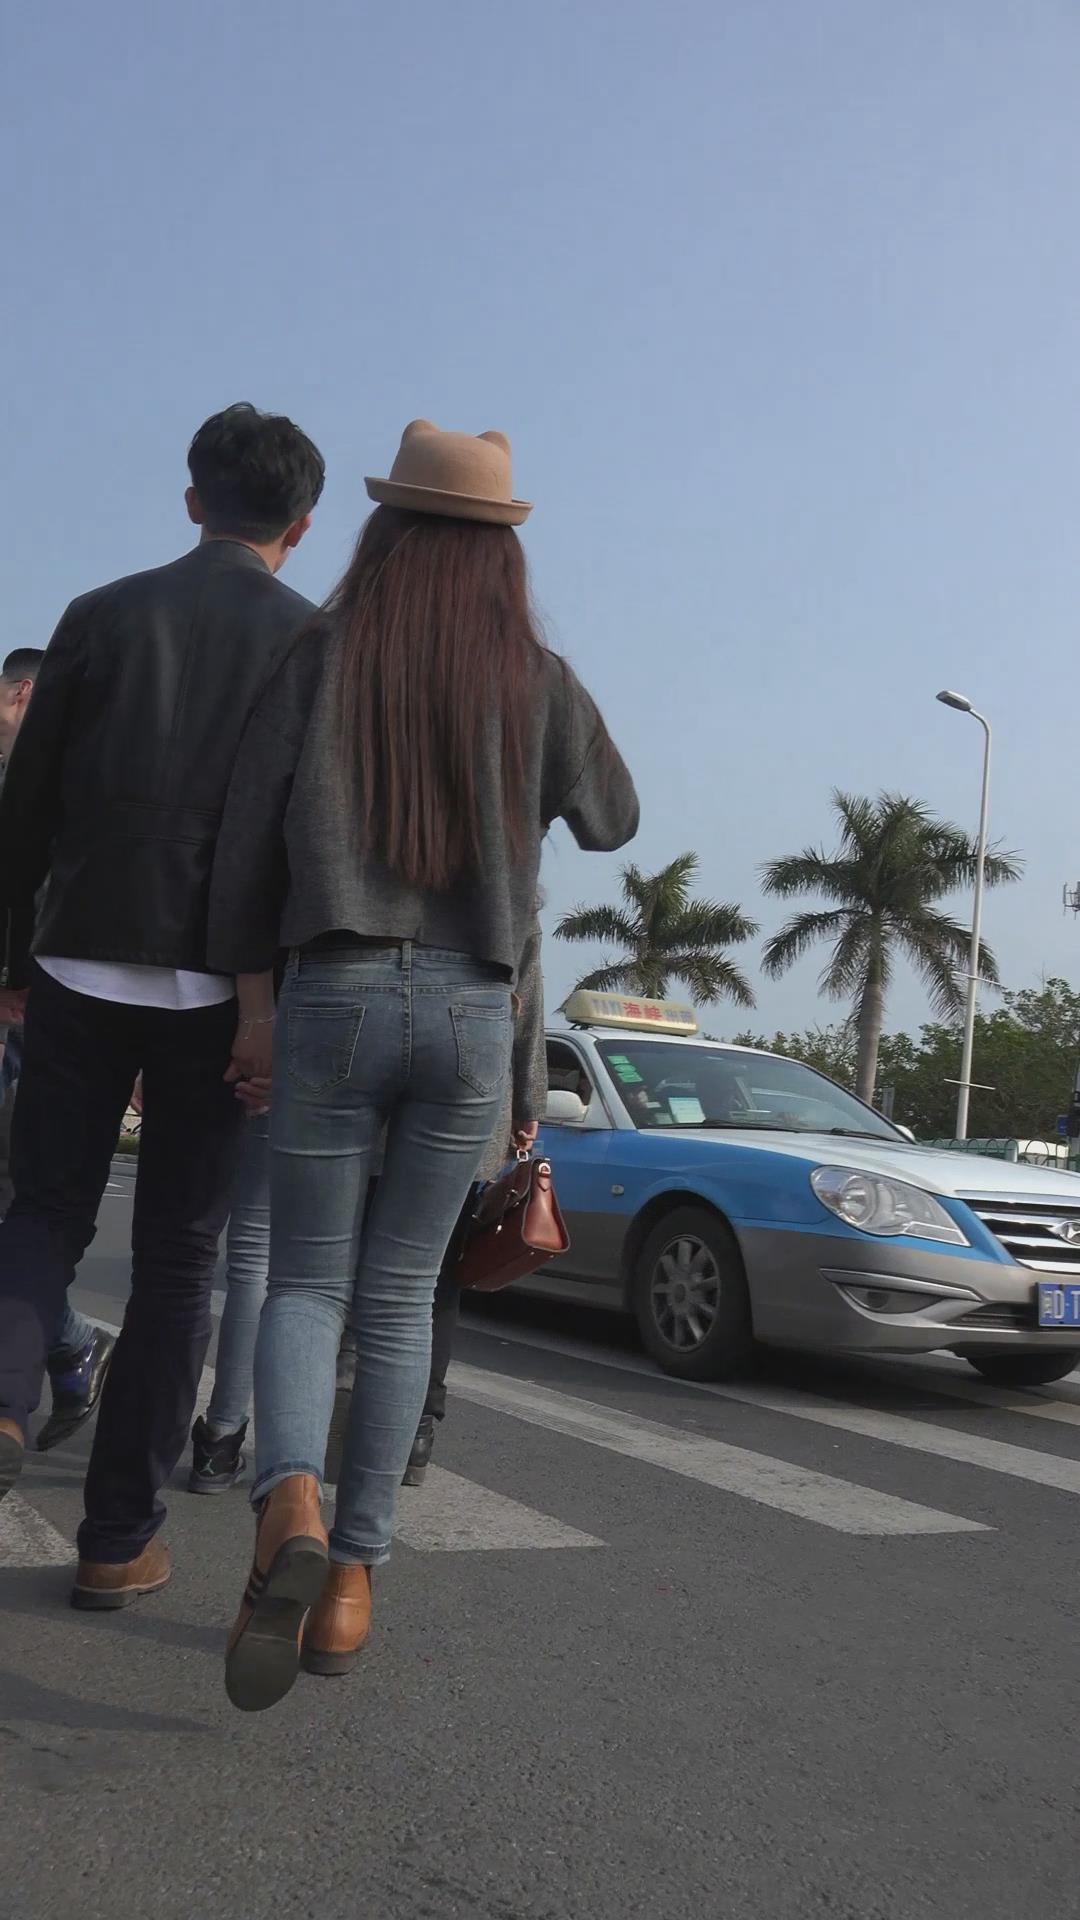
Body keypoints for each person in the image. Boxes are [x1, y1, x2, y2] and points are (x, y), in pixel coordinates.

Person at [208, 420, 638, 1711]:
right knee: (399, 1301)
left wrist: (253, 1007)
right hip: (469, 1015)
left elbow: (244, 845)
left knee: (304, 1284)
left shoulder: (320, 652)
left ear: (385, 530)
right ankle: (351, 1581)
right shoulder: (535, 678)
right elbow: (615, 817)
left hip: (334, 989)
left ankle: (288, 1498)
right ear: (503, 554)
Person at [0, 402, 325, 1613]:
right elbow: (307, 838)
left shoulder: (97, 614)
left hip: (78, 957)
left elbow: (25, 809)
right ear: (302, 525)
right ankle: (116, 1538)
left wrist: (13, 960)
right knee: (181, 1260)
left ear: (192, 501)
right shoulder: (315, 641)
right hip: (223, 985)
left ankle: (3, 1395)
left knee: (44, 1208)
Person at [193, 918, 546, 1495]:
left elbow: (257, 914)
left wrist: (262, 1033)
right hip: (465, 1048)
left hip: (329, 1029)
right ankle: (400, 1455)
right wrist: (527, 1101)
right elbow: (523, 975)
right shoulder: (497, 881)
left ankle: (260, 1459)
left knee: (302, 1280)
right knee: (415, 1290)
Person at [0, 646, 114, 1442]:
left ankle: (67, 1346)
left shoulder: (46, 782)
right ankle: (71, 1345)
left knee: (21, 1213)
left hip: (23, 1020)